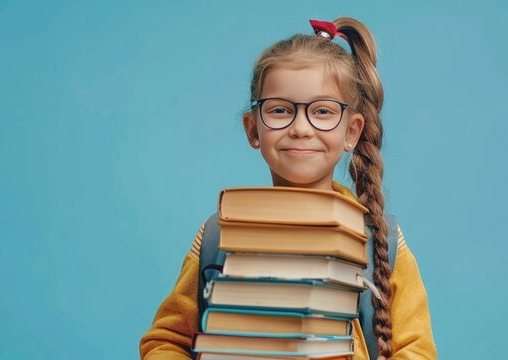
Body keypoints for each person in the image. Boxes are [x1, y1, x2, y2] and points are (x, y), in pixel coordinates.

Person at [139, 17, 437, 360]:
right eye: (280, 110)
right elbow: (166, 340)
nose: (300, 128)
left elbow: (416, 351)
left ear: (352, 132)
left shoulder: (381, 241)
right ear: (253, 129)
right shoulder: (218, 235)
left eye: (323, 111)